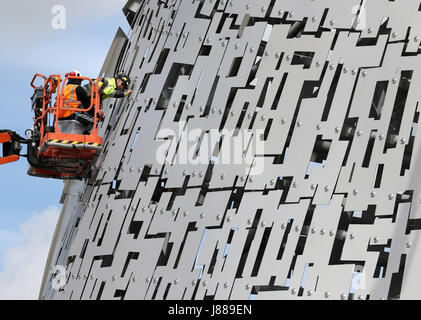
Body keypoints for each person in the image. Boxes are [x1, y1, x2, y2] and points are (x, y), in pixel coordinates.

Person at [57, 70, 91, 134]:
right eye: (80, 80)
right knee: (92, 122)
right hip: (70, 114)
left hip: (59, 117)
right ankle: (84, 138)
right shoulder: (77, 88)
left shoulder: (64, 90)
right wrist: (97, 115)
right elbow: (87, 105)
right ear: (78, 79)